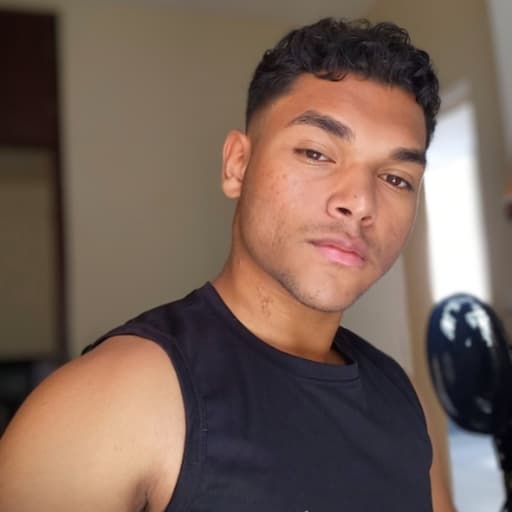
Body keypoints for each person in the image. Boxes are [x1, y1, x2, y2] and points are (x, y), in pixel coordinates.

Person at [0, 17, 455, 512]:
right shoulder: (108, 402)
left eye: (396, 178)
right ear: (237, 164)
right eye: (316, 153)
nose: (361, 202)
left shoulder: (401, 396)